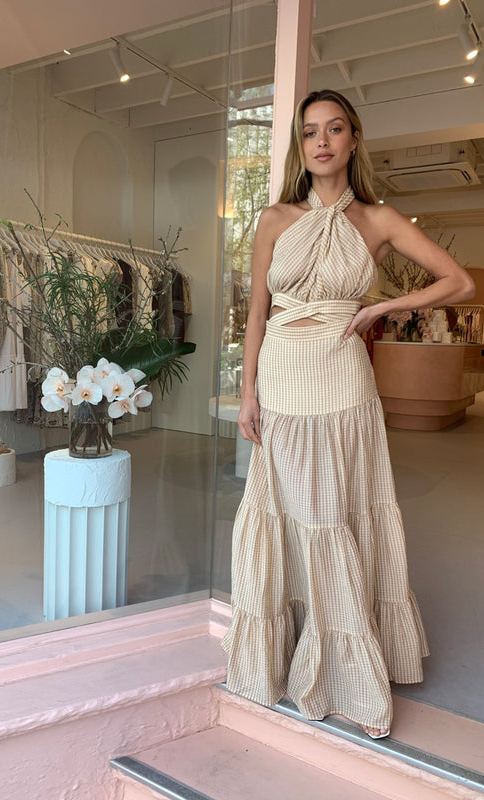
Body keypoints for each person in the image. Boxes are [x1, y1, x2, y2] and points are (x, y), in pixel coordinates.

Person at [221, 88, 474, 739]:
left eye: (334, 129)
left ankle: (345, 668)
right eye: (310, 132)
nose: (322, 141)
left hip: (341, 377)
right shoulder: (274, 218)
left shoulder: (378, 219)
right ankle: (290, 649)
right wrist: (247, 393)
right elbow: (256, 316)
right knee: (287, 511)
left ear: (353, 139)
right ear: (300, 146)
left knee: (331, 510)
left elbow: (460, 282)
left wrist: (383, 308)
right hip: (282, 375)